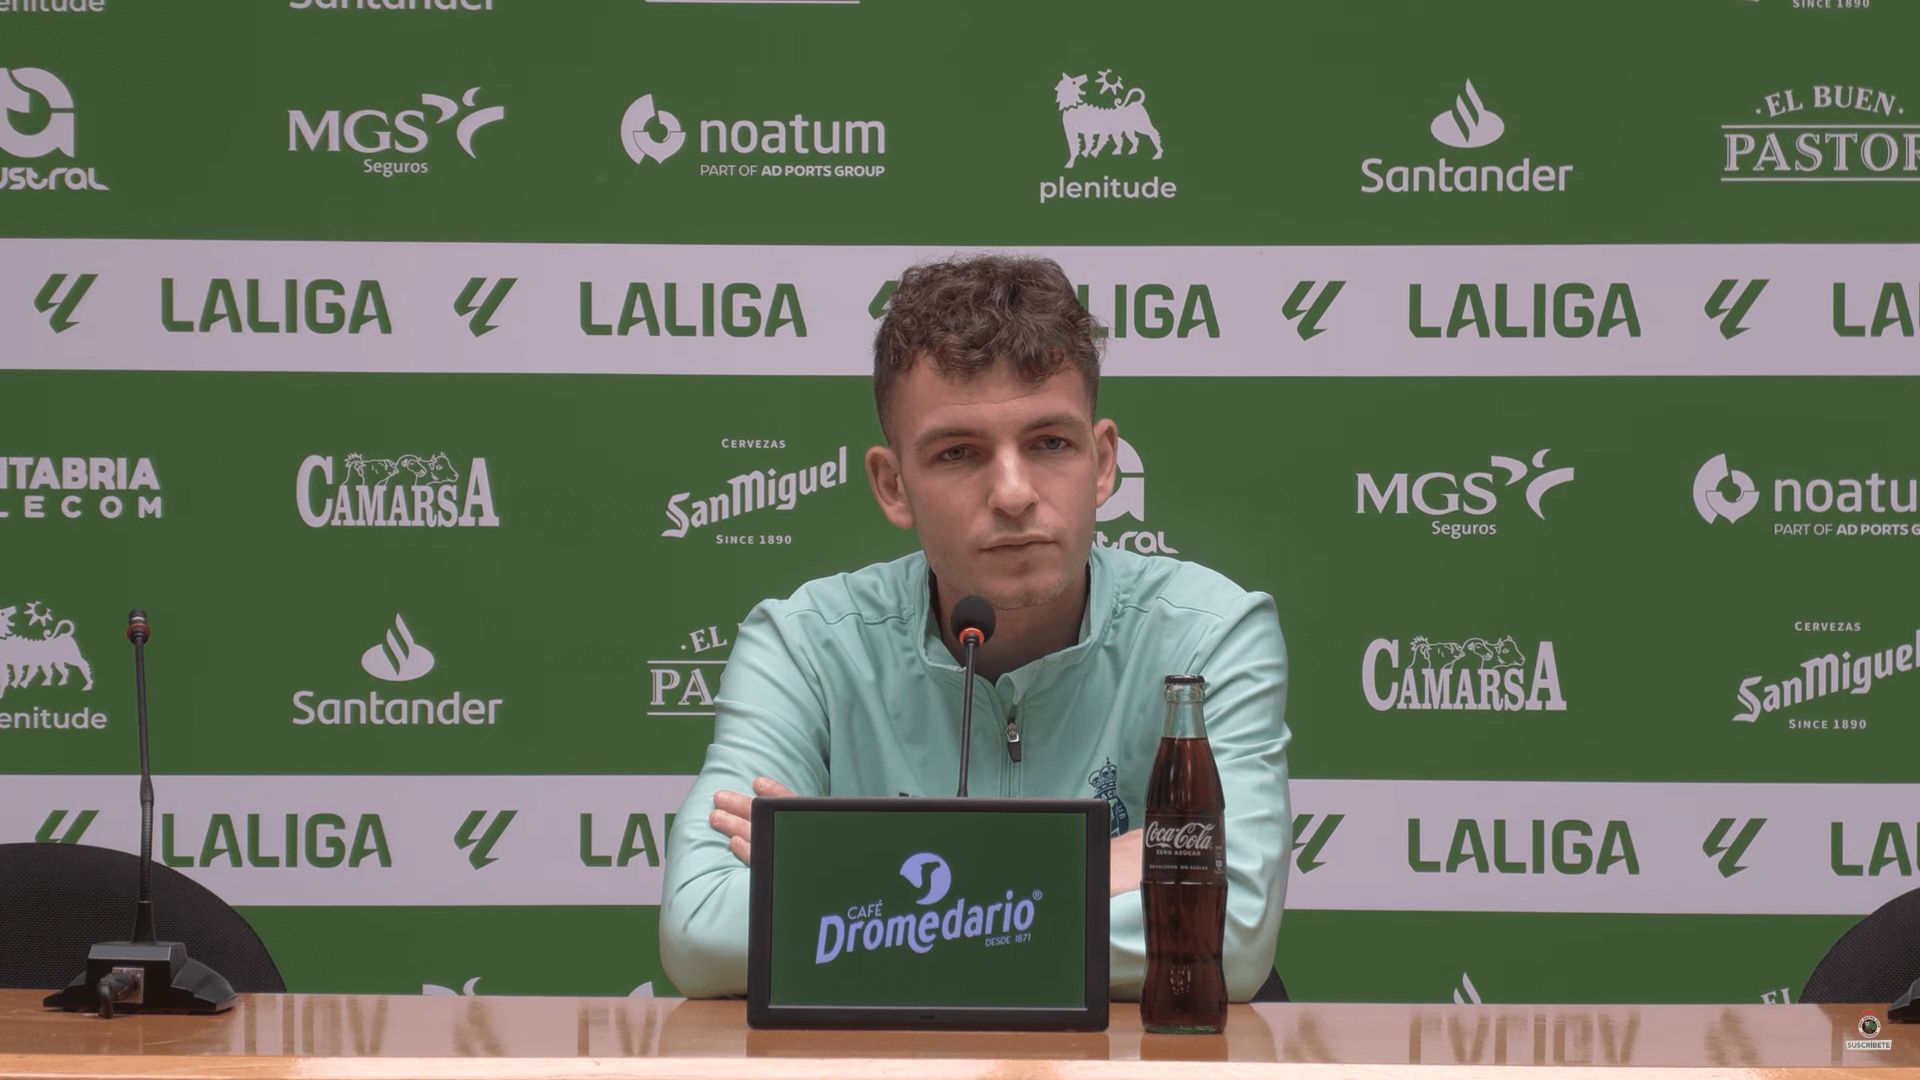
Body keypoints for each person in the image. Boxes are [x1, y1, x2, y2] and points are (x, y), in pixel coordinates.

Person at [658, 254, 1292, 999]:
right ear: (893, 485)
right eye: (959, 453)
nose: (1015, 493)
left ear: (1103, 462)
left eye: (1050, 443)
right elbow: (701, 930)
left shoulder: (1211, 634)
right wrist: (1104, 863)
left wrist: (848, 877)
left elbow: (1226, 940)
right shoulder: (802, 645)